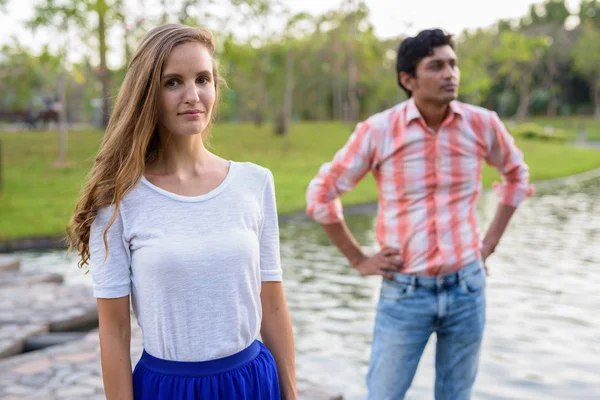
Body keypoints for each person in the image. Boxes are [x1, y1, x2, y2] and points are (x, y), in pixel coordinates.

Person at [67, 24, 297, 400]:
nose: (192, 96)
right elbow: (114, 333)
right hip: (167, 388)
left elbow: (272, 305)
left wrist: (291, 395)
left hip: (252, 383)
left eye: (202, 79)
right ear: (148, 95)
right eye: (173, 82)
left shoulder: (255, 183)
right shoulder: (117, 198)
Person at [305, 29, 533, 400]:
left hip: (467, 288)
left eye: (453, 64)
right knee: (383, 394)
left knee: (456, 395)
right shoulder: (378, 131)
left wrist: (489, 244)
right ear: (408, 80)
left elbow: (516, 174)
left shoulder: (482, 124)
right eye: (437, 66)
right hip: (406, 292)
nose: (450, 74)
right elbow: (321, 193)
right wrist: (358, 258)